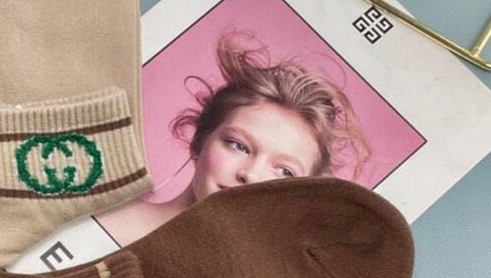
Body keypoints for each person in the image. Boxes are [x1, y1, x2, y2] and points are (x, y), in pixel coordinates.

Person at [100, 33, 371, 243]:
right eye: (239, 146)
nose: (250, 175)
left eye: (285, 172)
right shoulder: (104, 221)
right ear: (200, 140)